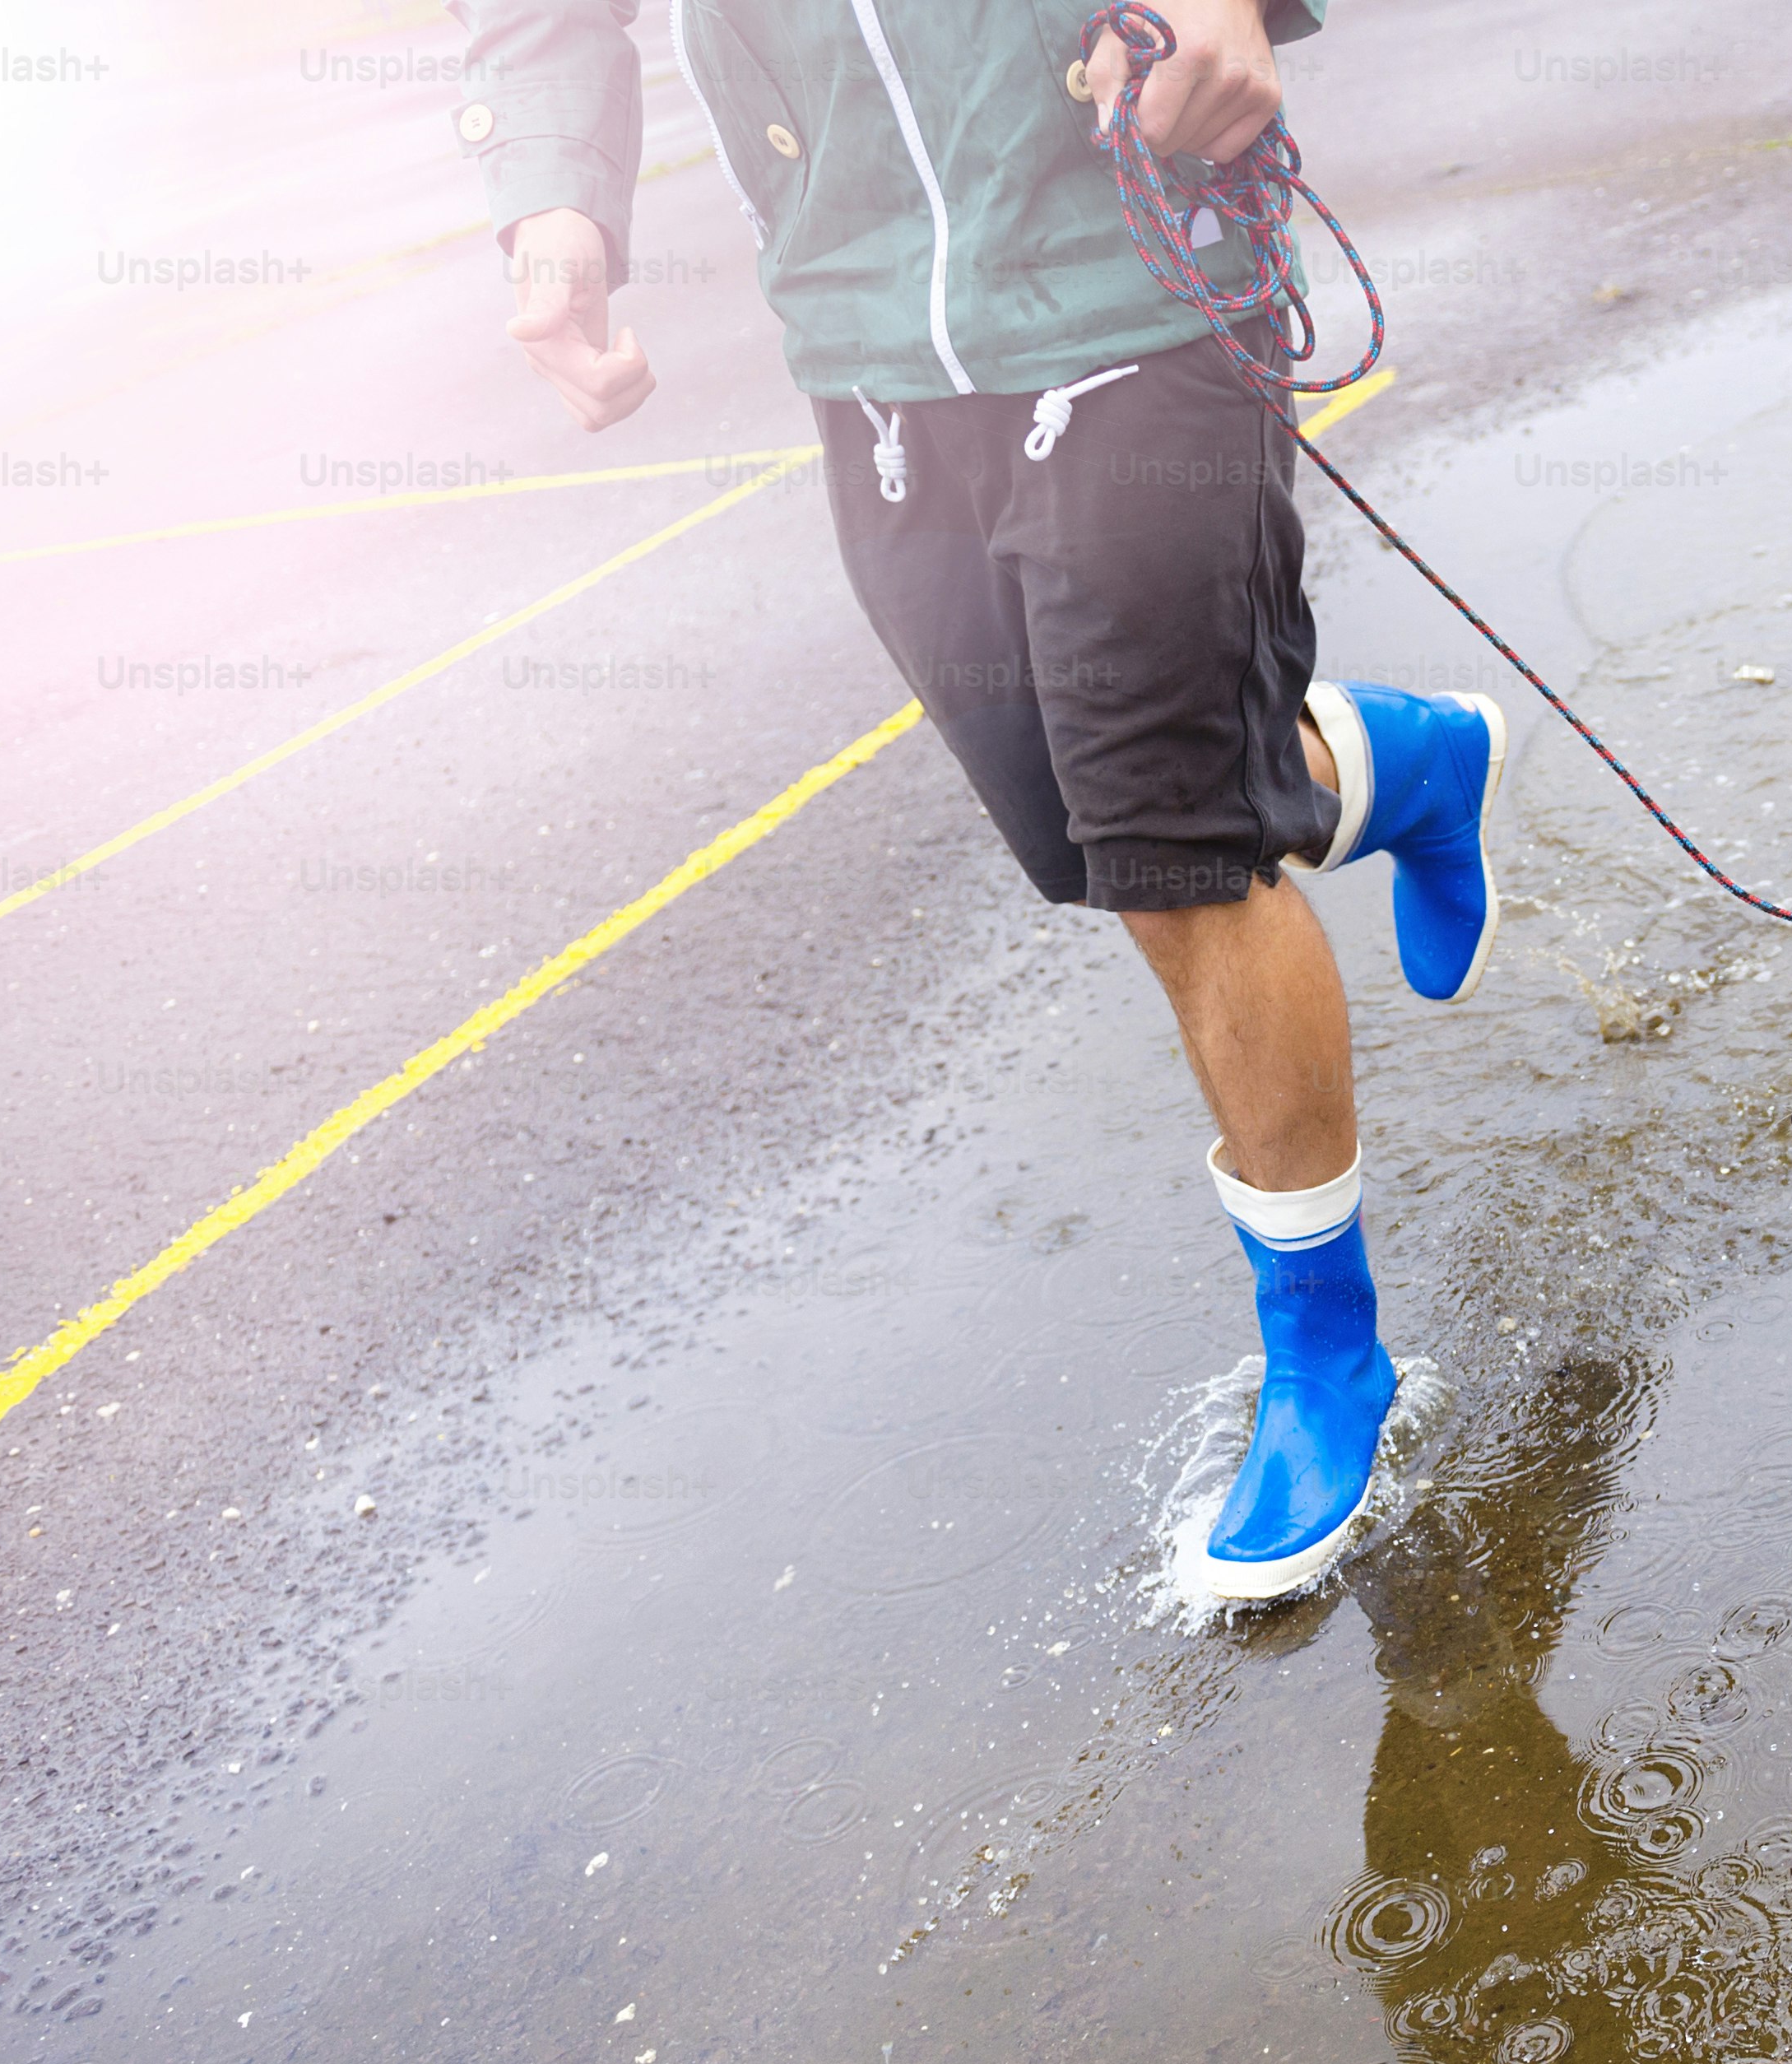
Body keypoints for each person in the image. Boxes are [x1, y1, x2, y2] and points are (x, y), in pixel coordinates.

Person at [453, 0, 1506, 1600]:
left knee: (1172, 858)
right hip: (863, 320)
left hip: (1122, 263)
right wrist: (552, 209)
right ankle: (1403, 762)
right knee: (1082, 827)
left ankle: (1327, 1358)